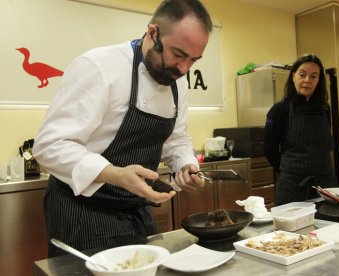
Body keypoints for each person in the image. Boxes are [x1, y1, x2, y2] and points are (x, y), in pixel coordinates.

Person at [33, 0, 212, 257]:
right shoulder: (99, 67)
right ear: (153, 33)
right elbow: (50, 145)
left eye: (194, 60)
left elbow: (176, 139)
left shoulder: (177, 82)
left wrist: (184, 164)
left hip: (136, 210)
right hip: (83, 211)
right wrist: (114, 174)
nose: (184, 69)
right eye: (178, 54)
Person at [264, 54, 338, 206]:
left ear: (319, 80)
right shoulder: (279, 110)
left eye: (313, 76)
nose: (307, 81)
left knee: (329, 227)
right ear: (293, 76)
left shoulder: (324, 109)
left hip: (325, 185)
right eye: (302, 74)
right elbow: (269, 149)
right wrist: (291, 171)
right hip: (292, 187)